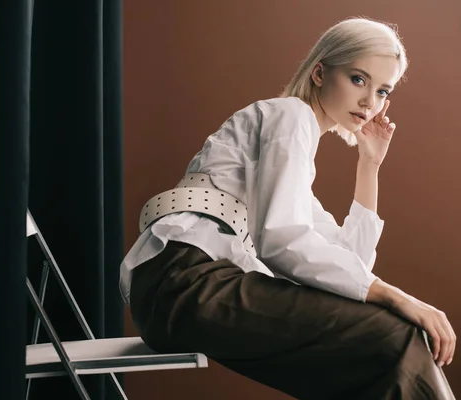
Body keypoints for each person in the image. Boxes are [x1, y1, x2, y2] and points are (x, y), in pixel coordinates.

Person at [119, 17, 457, 399]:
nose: (369, 102)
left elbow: (351, 267)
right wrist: (398, 297)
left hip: (181, 292)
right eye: (358, 79)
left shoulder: (291, 164)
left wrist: (369, 165)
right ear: (319, 72)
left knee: (382, 347)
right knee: (393, 335)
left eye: (383, 91)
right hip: (183, 282)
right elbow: (281, 241)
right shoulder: (290, 116)